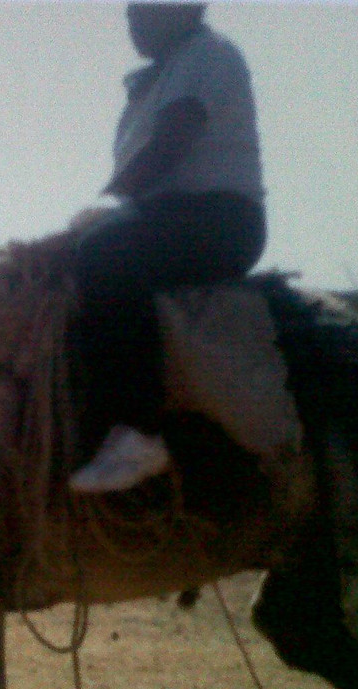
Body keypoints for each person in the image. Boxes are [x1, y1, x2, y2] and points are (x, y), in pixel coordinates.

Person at [68, 2, 268, 493]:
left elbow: (171, 142)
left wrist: (109, 205)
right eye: (130, 10)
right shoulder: (159, 76)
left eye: (146, 8)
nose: (133, 19)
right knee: (89, 255)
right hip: (169, 217)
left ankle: (138, 430)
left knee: (103, 256)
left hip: (217, 218)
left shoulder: (207, 55)